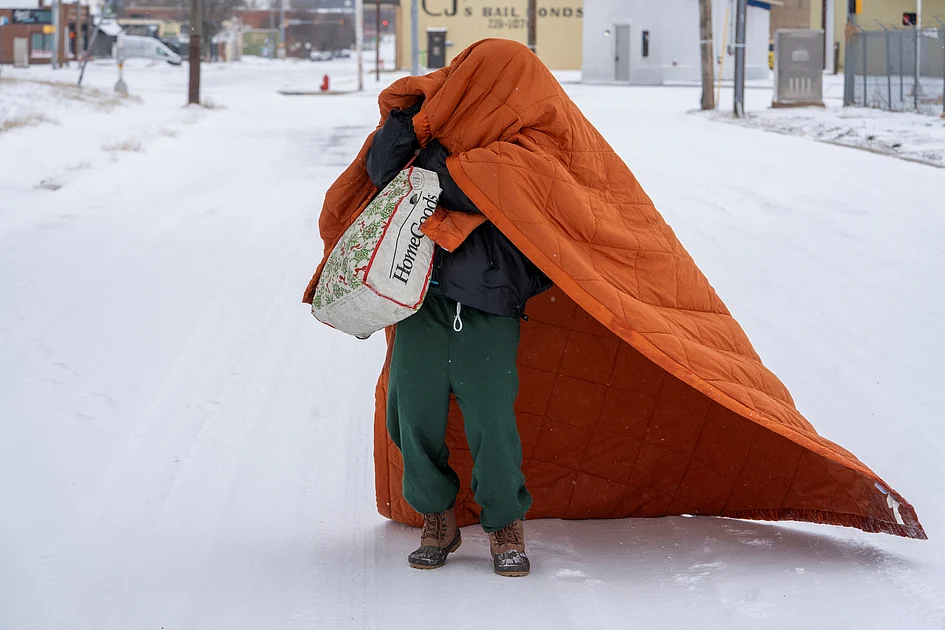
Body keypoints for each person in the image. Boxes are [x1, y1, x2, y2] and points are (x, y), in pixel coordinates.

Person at [364, 100, 551, 577]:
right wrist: (406, 118)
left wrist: (428, 168)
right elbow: (383, 172)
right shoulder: (427, 126)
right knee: (411, 416)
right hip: (421, 300)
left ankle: (505, 525)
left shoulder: (516, 135)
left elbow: (478, 192)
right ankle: (438, 520)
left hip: (488, 304)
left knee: (492, 422)